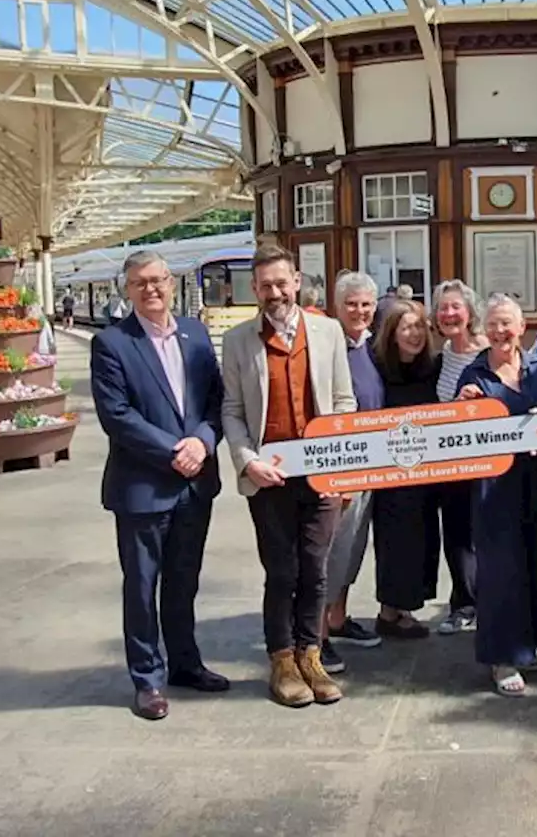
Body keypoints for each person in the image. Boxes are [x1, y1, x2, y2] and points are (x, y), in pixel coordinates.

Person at [89, 249, 228, 720]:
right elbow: (117, 416)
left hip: (195, 484)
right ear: (127, 291)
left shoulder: (196, 334)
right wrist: (177, 450)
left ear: (172, 284)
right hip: (143, 487)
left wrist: (204, 443)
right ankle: (148, 679)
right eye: (140, 283)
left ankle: (186, 663)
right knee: (142, 585)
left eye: (158, 280)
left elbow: (215, 401)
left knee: (184, 582)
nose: (151, 289)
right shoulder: (112, 343)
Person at [221, 243, 356, 708]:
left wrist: (339, 461)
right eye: (265, 286)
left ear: (297, 281)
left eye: (282, 282)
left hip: (321, 474)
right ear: (254, 290)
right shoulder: (239, 341)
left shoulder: (328, 332)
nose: (274, 292)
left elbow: (344, 401)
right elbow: (233, 411)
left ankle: (310, 654)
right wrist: (245, 460)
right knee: (281, 571)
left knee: (316, 569)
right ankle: (282, 659)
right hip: (269, 475)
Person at [457, 294, 537, 696]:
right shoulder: (474, 374)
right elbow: (458, 432)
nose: (501, 331)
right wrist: (461, 408)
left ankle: (529, 644)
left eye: (508, 323)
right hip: (493, 484)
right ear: (484, 330)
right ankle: (501, 657)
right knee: (500, 568)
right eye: (494, 324)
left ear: (523, 327)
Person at [320, 271, 385, 676]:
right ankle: (317, 634)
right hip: (341, 466)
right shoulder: (328, 347)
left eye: (366, 305)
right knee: (330, 552)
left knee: (354, 547)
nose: (359, 311)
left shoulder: (371, 347)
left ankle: (338, 618)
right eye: (351, 304)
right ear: (336, 306)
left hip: (373, 465)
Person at [370, 299, 441, 639]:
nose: (414, 334)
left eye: (419, 327)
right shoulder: (378, 367)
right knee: (394, 540)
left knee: (423, 540)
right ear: (391, 333)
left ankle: (406, 607)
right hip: (390, 472)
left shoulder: (432, 367)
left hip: (426, 471)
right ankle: (391, 610)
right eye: (406, 327)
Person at [430, 279, 484, 635]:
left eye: (455, 307)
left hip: (484, 459)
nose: (449, 314)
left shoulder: (487, 352)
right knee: (456, 536)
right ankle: (463, 603)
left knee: (486, 534)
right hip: (448, 462)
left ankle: (488, 602)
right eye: (443, 308)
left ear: (469, 313)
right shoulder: (441, 356)